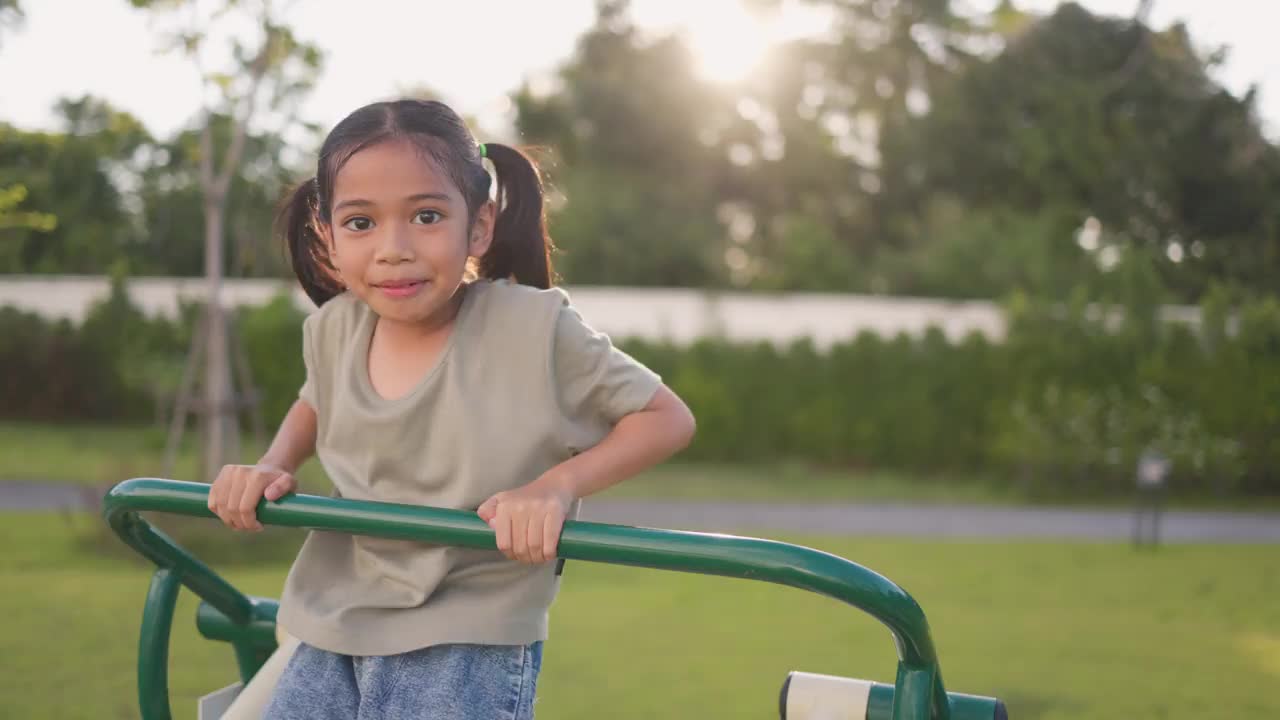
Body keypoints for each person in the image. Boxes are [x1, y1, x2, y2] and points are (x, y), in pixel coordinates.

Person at [206, 98, 696, 719]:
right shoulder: (333, 329)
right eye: (361, 223)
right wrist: (275, 462)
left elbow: (666, 418)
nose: (393, 248)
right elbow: (317, 399)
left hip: (468, 628)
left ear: (480, 226)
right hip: (334, 615)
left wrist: (553, 487)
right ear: (326, 236)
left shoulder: (532, 327)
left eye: (427, 216)